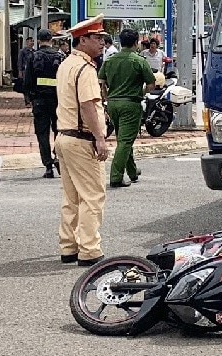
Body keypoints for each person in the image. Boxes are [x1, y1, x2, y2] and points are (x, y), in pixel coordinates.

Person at [53, 15, 111, 266]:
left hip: (64, 136)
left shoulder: (66, 64)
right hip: (81, 139)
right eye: (97, 38)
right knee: (92, 196)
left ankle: (69, 246)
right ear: (83, 39)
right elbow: (88, 105)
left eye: (103, 38)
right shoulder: (85, 69)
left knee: (72, 197)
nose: (102, 43)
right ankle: (89, 249)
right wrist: (100, 138)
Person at [98, 28, 157, 188]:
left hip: (112, 104)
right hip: (131, 104)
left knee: (124, 137)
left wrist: (107, 97)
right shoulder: (138, 61)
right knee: (125, 140)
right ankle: (116, 176)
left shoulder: (109, 60)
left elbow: (101, 82)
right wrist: (141, 92)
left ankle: (132, 171)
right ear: (136, 42)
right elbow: (151, 85)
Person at [25, 28, 66, 179]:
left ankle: (48, 165)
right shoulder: (60, 57)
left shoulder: (33, 57)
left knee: (42, 133)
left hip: (39, 101)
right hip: (57, 100)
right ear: (51, 40)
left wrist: (28, 98)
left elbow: (27, 80)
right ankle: (58, 157)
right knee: (59, 131)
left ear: (39, 40)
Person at [17, 36, 36, 107]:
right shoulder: (23, 51)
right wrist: (20, 71)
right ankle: (27, 101)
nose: (32, 42)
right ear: (27, 42)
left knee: (32, 86)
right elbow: (20, 62)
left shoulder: (34, 52)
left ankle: (31, 100)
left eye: (33, 41)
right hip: (25, 71)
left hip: (32, 72)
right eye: (31, 41)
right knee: (26, 86)